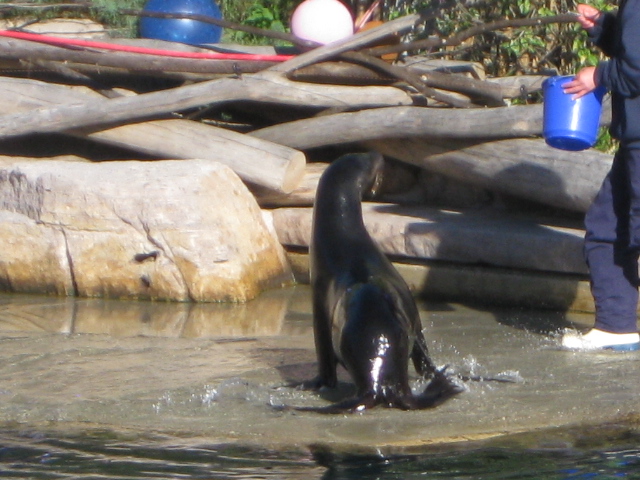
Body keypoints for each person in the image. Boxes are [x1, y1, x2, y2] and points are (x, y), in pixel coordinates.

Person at [561, 1, 640, 350]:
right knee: (608, 225)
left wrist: (598, 75)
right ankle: (616, 326)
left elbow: (635, 69)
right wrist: (605, 28)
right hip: (633, 139)